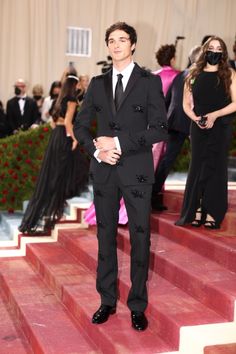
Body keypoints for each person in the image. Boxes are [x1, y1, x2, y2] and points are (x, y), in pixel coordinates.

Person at [73, 21, 167, 331]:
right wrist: (97, 151)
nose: (116, 45)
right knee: (104, 239)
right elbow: (80, 126)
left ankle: (137, 305)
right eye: (111, 40)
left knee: (140, 239)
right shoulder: (98, 83)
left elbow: (159, 129)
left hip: (136, 173)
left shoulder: (149, 81)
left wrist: (117, 143)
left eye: (122, 40)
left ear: (133, 44)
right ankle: (107, 300)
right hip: (104, 173)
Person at [176, 36, 236, 230]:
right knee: (198, 168)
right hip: (199, 126)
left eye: (219, 48)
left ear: (223, 52)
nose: (215, 51)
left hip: (221, 126)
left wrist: (214, 116)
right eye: (211, 47)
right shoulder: (194, 73)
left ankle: (212, 211)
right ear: (205, 50)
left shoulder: (230, 74)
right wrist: (195, 118)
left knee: (216, 168)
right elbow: (186, 103)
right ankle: (196, 210)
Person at [19, 74, 88, 235]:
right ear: (73, 85)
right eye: (77, 84)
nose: (79, 86)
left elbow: (52, 122)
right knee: (65, 173)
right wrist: (74, 139)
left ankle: (48, 212)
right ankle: (54, 210)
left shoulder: (59, 99)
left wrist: (60, 130)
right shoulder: (71, 100)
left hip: (56, 137)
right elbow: (69, 123)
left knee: (53, 175)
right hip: (64, 136)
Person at [152, 45, 201, 211]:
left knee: (167, 160)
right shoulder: (197, 76)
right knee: (198, 160)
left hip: (173, 121)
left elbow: (167, 99)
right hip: (188, 122)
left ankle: (153, 195)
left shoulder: (180, 74)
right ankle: (197, 197)